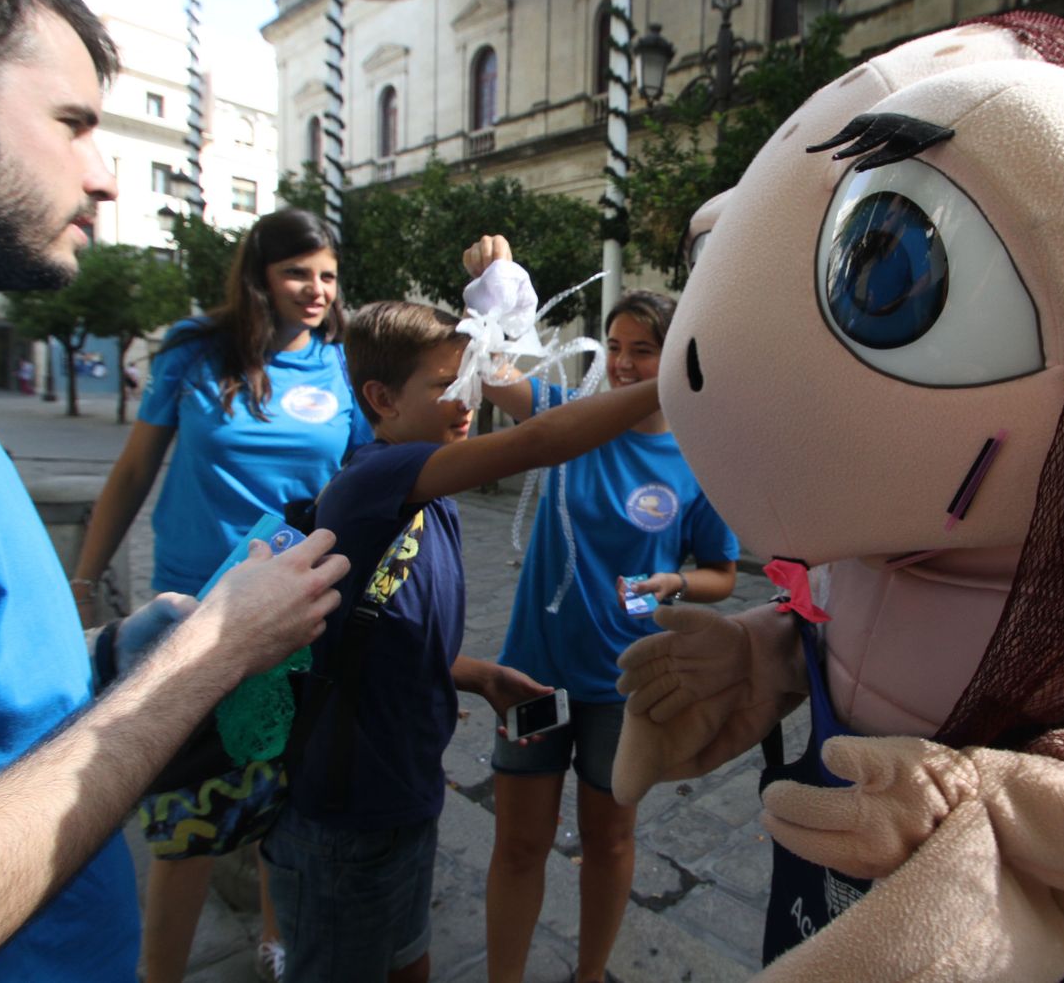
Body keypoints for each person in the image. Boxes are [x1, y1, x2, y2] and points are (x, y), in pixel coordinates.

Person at [0, 0, 350, 979]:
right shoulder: (195, 354)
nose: (106, 178)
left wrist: (112, 667)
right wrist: (204, 658)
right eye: (71, 122)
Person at [263, 295, 662, 983]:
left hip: (407, 794)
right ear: (381, 398)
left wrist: (477, 674)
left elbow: (386, 631)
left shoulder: (428, 489)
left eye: (469, 375)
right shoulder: (380, 478)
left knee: (406, 958)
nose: (467, 396)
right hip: (345, 812)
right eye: (446, 383)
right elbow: (539, 439)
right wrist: (677, 377)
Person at [72, 205, 369, 983]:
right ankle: (158, 971)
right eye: (298, 272)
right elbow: (135, 469)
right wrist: (84, 572)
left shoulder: (341, 366)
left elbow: (370, 482)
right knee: (185, 816)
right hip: (191, 612)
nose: (316, 289)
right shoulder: (194, 352)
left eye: (328, 275)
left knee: (284, 792)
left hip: (299, 607)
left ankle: (274, 943)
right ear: (260, 278)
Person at [465, 238, 741, 983]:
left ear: (674, 356)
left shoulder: (694, 460)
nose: (620, 363)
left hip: (625, 685)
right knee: (519, 843)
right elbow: (495, 381)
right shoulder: (571, 415)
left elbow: (719, 571)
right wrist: (498, 288)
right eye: (614, 347)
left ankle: (590, 975)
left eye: (642, 350)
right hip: (534, 675)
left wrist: (674, 587)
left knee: (610, 841)